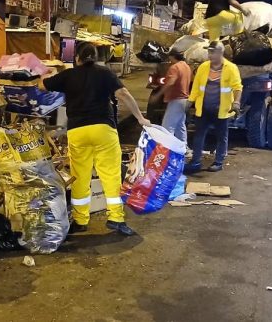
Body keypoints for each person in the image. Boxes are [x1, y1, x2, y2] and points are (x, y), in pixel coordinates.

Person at [44, 44, 151, 236]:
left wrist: (46, 71)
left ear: (77, 58)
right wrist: (140, 118)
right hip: (103, 130)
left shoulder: (69, 75)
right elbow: (123, 94)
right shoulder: (105, 73)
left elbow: (42, 84)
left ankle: (80, 220)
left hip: (78, 131)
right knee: (110, 176)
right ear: (95, 57)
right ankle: (116, 218)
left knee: (80, 177)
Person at [184, 42, 242, 173]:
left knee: (221, 137)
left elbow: (237, 87)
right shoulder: (203, 67)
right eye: (208, 52)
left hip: (221, 110)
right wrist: (190, 101)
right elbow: (196, 87)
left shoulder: (231, 68)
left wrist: (236, 103)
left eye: (212, 52)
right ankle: (196, 161)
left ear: (220, 53)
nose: (209, 55)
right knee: (199, 136)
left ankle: (218, 162)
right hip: (203, 109)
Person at [157, 49, 192, 144]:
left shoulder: (175, 67)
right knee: (180, 126)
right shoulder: (186, 67)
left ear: (172, 56)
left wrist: (159, 94)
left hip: (176, 100)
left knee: (167, 127)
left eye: (169, 57)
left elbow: (171, 82)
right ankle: (183, 147)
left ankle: (167, 149)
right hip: (184, 100)